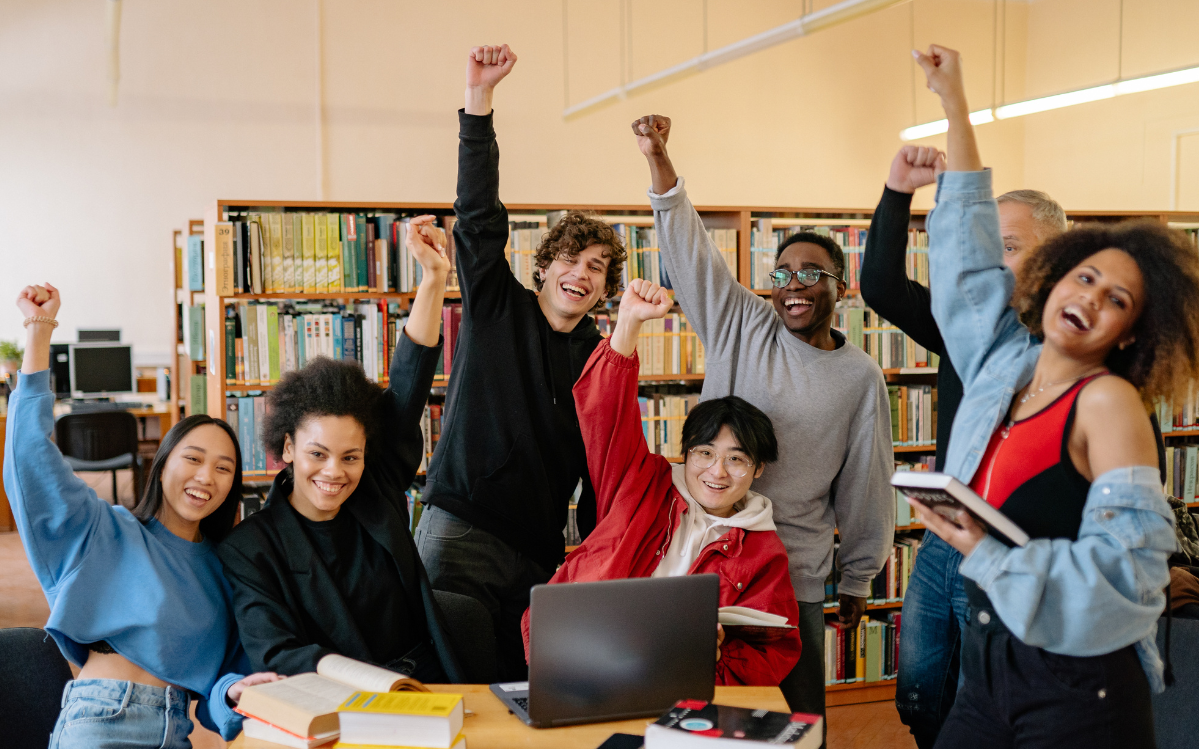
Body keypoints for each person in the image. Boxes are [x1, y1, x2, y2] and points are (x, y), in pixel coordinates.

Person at [908, 44, 1199, 749]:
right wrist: (956, 106)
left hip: (1081, 687)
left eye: (1118, 300)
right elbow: (967, 260)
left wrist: (987, 553)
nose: (1093, 299)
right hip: (991, 661)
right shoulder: (1005, 361)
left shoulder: (1109, 403)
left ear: (1131, 333)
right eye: (1087, 276)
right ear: (1052, 277)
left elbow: (1134, 574)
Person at [631, 116, 895, 729]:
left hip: (792, 573)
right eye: (782, 275)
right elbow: (690, 251)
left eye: (810, 274)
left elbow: (866, 481)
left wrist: (858, 575)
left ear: (841, 287)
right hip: (704, 558)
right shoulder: (741, 322)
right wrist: (659, 160)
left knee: (794, 727)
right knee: (690, 718)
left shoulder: (860, 378)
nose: (793, 286)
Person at [4, 283, 279, 749]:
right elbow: (28, 460)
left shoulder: (227, 570)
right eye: (193, 458)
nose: (206, 477)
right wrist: (38, 331)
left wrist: (237, 691)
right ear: (162, 462)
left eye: (224, 468)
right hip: (96, 740)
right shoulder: (103, 530)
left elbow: (220, 692)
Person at [415, 44, 628, 681]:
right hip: (460, 534)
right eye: (571, 259)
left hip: (539, 554)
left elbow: (603, 465)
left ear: (603, 289)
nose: (581, 274)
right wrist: (478, 102)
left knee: (523, 695)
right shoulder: (496, 306)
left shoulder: (599, 357)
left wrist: (592, 557)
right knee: (451, 689)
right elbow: (478, 215)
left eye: (596, 268)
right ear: (544, 267)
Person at [859, 146, 1069, 749]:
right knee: (920, 695)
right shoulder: (963, 328)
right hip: (942, 541)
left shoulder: (1073, 344)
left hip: (1011, 545)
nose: (992, 262)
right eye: (984, 248)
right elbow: (881, 286)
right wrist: (899, 190)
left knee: (989, 703)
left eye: (1008, 245)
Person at [217, 218, 465, 683]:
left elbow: (408, 387)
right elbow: (274, 649)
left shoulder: (377, 491)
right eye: (317, 454)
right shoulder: (250, 548)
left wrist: (434, 279)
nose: (335, 472)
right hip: (339, 694)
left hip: (432, 679)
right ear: (287, 447)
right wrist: (374, 680)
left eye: (350, 456)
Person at [519, 278, 802, 685]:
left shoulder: (763, 549)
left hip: (679, 684)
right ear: (685, 453)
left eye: (736, 459)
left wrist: (713, 663)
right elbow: (607, 413)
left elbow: (772, 649)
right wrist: (629, 322)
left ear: (759, 469)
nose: (717, 472)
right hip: (583, 658)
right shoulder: (640, 484)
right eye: (705, 453)